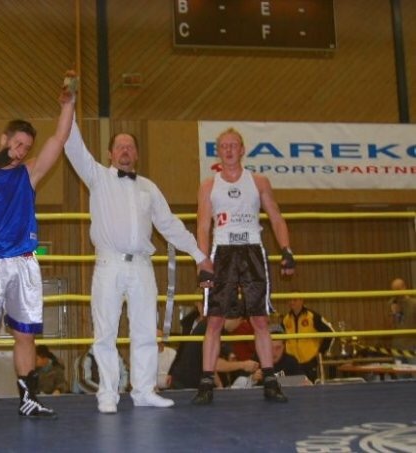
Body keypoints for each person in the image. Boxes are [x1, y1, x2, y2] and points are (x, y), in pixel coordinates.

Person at [64, 116, 213, 414]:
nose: (125, 150)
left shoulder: (148, 188)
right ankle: (107, 393)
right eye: (120, 146)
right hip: (109, 264)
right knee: (105, 332)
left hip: (142, 266)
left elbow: (169, 225)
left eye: (130, 147)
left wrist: (200, 256)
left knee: (146, 331)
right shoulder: (98, 177)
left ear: (137, 155)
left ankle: (144, 390)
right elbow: (74, 147)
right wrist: (69, 109)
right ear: (110, 154)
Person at [0, 73, 76, 426]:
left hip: (23, 263)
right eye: (17, 144)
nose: (21, 151)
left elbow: (59, 139)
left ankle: (29, 400)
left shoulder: (29, 174)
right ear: (4, 139)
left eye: (25, 147)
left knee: (25, 334)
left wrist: (68, 105)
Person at [193, 127, 295, 405]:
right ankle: (206, 383)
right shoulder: (208, 185)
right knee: (215, 319)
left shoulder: (258, 181)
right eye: (223, 146)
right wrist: (203, 260)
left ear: (242, 150)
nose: (228, 150)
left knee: (260, 319)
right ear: (218, 151)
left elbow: (276, 217)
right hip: (221, 252)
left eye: (233, 145)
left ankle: (270, 381)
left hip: (252, 250)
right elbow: (202, 226)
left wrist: (286, 250)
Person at [282, 295, 334, 382]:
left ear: (302, 301)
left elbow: (330, 333)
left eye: (295, 299)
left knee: (311, 387)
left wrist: (321, 351)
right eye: (290, 300)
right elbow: (281, 339)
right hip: (292, 362)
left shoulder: (312, 316)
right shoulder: (286, 319)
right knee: (292, 387)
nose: (292, 302)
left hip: (310, 361)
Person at [388, 277, 416, 360]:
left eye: (398, 289)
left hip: (412, 345)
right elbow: (390, 326)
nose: (396, 292)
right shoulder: (391, 303)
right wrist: (394, 314)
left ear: (404, 287)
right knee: (399, 368)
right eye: (394, 290)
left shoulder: (414, 303)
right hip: (397, 346)